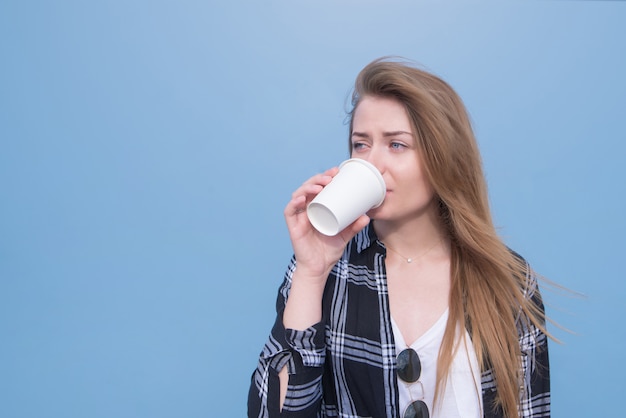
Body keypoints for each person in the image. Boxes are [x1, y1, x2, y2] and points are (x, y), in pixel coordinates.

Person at [248, 57, 550, 418]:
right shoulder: (324, 272)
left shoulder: (508, 280)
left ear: (444, 158)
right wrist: (311, 273)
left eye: (396, 145)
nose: (372, 163)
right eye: (361, 145)